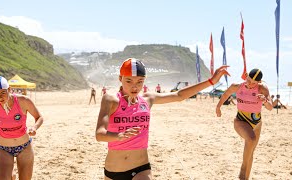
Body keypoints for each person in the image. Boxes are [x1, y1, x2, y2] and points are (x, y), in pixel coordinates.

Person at [95, 58, 229, 180]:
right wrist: (119, 136)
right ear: (120, 78)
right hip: (114, 171)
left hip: (141, 168)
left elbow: (179, 95)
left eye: (140, 81)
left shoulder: (147, 99)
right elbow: (99, 134)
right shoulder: (111, 100)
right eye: (129, 81)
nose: (134, 86)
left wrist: (211, 81)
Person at [0, 76, 43, 179]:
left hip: (24, 147)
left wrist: (35, 127)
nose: (0, 98)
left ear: (9, 89)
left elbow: (39, 117)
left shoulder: (23, 101)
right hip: (4, 149)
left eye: (3, 93)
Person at [216, 69, 273, 180]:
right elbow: (225, 95)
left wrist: (265, 100)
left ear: (259, 82)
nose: (250, 84)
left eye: (254, 83)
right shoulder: (237, 86)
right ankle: (242, 171)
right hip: (240, 120)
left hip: (257, 123)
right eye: (249, 80)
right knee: (251, 139)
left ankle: (245, 178)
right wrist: (218, 107)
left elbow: (270, 107)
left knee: (250, 151)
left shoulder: (262, 88)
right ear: (246, 76)